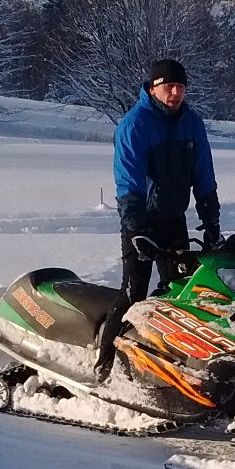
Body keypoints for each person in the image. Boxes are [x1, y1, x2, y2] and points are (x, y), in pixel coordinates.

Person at [94, 59, 222, 382]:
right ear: (153, 88)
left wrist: (212, 222)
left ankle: (169, 361)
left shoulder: (192, 123)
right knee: (135, 289)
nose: (176, 93)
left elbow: (204, 176)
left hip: (173, 219)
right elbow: (128, 182)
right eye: (169, 87)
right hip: (141, 221)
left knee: (180, 291)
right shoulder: (135, 125)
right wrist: (136, 228)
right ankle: (105, 361)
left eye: (181, 87)